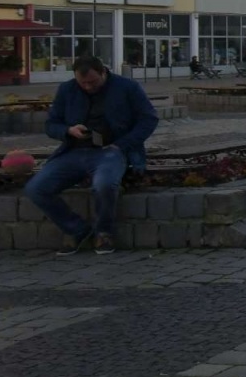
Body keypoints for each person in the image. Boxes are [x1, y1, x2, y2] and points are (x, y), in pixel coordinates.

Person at [22, 55, 160, 255]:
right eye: (82, 83)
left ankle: (104, 232)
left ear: (104, 72)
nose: (88, 87)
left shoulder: (127, 87)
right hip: (74, 151)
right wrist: (68, 130)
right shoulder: (67, 90)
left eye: (93, 82)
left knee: (104, 184)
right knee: (36, 188)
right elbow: (51, 125)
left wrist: (122, 145)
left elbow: (149, 119)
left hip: (112, 151)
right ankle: (77, 230)